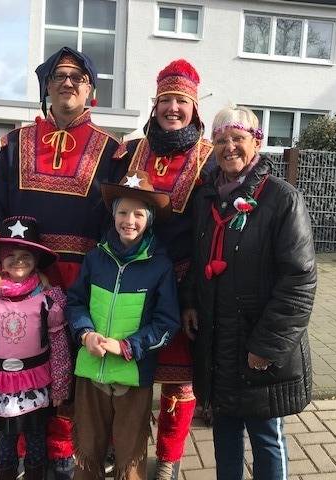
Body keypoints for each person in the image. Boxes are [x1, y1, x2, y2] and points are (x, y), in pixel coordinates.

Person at [0, 46, 126, 479]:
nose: (67, 82)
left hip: (83, 282)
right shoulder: (14, 145)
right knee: (22, 365)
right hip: (22, 281)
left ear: (91, 90)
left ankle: (65, 454)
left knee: (72, 373)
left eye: (77, 76)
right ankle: (26, 452)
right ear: (46, 87)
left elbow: (117, 223)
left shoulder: (112, 151)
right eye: (59, 76)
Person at [183, 106, 317, 480]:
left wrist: (267, 347)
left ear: (256, 142)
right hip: (217, 342)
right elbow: (197, 257)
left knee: (266, 435)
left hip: (257, 344)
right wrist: (190, 301)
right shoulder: (207, 197)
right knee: (224, 431)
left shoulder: (282, 198)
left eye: (238, 138)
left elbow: (299, 281)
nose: (229, 147)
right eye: (221, 140)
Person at [112, 59, 214, 480]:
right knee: (127, 370)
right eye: (166, 100)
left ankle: (169, 457)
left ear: (194, 107)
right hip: (131, 281)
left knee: (178, 380)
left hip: (181, 283)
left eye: (181, 101)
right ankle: (127, 451)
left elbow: (210, 232)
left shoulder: (209, 159)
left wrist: (192, 295)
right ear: (155, 105)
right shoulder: (129, 151)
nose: (173, 108)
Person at [67, 170, 181, 480]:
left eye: (138, 214)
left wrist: (128, 346)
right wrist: (85, 333)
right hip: (91, 371)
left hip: (133, 375)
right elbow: (75, 302)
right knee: (87, 451)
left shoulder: (160, 266)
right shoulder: (95, 258)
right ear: (113, 215)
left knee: (130, 457)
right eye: (123, 212)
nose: (129, 220)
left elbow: (167, 323)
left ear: (149, 220)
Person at [0, 216, 72, 480]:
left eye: (25, 255)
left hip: (36, 381)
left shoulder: (47, 300)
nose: (18, 261)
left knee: (36, 439)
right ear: (0, 258)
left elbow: (59, 347)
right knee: (6, 442)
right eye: (10, 255)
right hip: (0, 383)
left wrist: (60, 386)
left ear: (36, 259)